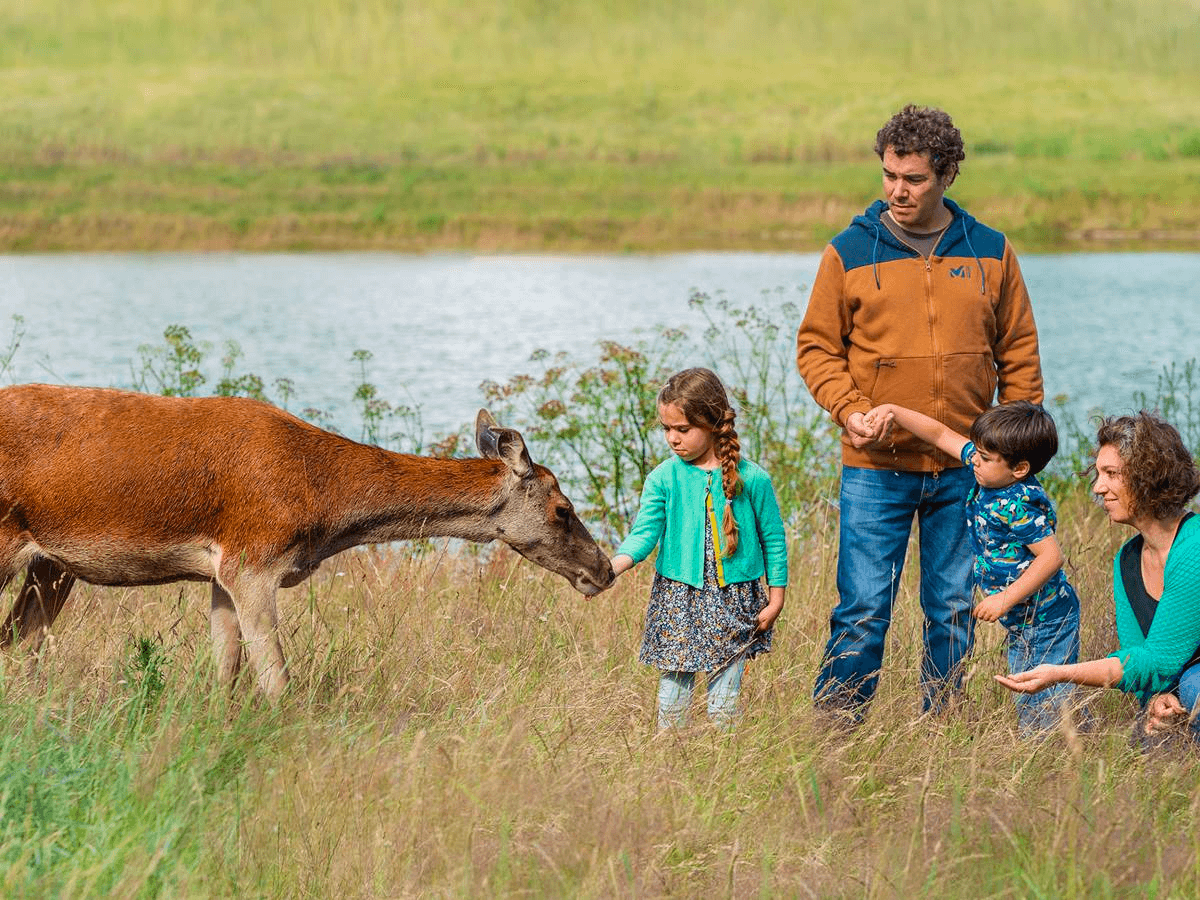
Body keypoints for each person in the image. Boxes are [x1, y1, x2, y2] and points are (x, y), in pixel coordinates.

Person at [796, 104, 1044, 720]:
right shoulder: (848, 251)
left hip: (967, 467)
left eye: (913, 179)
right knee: (861, 608)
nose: (897, 191)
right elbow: (817, 348)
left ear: (946, 175)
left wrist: (1014, 452)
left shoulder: (990, 250)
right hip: (874, 467)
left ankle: (942, 730)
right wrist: (850, 409)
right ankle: (836, 729)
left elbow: (1018, 353)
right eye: (889, 176)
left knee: (953, 607)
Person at [865, 400, 1080, 731]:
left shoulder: (1016, 506)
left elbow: (1051, 557)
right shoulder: (989, 466)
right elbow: (938, 433)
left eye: (985, 458)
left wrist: (1004, 599)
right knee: (1035, 691)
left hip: (1047, 619)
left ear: (1019, 468)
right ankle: (1073, 733)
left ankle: (1055, 754)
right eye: (976, 453)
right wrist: (895, 410)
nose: (974, 462)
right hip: (1024, 622)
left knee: (1039, 699)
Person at [997, 413, 1200, 742]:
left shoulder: (1194, 548)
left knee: (1195, 688)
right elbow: (1141, 660)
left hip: (1193, 681)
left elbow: (1160, 659)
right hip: (1178, 681)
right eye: (1098, 473)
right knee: (1147, 738)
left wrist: (1060, 674)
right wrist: (1156, 700)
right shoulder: (1128, 561)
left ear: (1148, 475)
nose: (1097, 487)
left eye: (1111, 474)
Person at [611, 368, 789, 728]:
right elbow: (644, 535)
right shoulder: (663, 477)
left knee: (724, 708)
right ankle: (671, 766)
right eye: (666, 429)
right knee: (672, 704)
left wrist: (776, 598)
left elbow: (774, 540)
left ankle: (724, 768)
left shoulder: (752, 478)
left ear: (711, 423)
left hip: (735, 599)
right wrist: (611, 567)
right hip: (678, 597)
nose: (672, 439)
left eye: (682, 429)